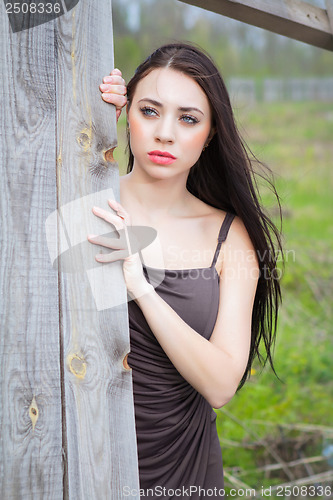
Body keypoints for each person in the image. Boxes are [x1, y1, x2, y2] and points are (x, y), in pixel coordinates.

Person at [87, 43, 283, 499]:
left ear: (211, 133)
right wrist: (87, 124)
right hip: (82, 448)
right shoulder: (87, 206)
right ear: (127, 113)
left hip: (184, 470)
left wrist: (141, 287)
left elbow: (220, 384)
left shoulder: (230, 237)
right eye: (150, 111)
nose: (166, 133)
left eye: (189, 118)